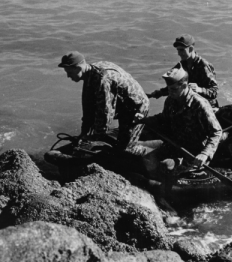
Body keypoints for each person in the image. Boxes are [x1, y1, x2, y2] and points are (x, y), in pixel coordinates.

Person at [134, 68, 223, 198]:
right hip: (175, 144)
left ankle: (167, 199)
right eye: (169, 89)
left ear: (185, 85)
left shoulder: (200, 104)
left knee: (166, 166)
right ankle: (155, 185)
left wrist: (204, 154)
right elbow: (164, 119)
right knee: (146, 158)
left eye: (174, 89)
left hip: (193, 152)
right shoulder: (171, 100)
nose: (170, 92)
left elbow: (216, 132)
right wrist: (144, 119)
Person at [58, 51, 149, 152]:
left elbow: (105, 111)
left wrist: (96, 137)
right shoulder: (88, 74)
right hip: (122, 103)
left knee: (127, 149)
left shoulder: (102, 79)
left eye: (69, 72)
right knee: (112, 137)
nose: (68, 76)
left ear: (79, 68)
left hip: (136, 106)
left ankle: (151, 152)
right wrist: (84, 133)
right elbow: (88, 107)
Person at [146, 35, 220, 109]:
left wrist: (199, 89)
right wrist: (160, 93)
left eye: (181, 50)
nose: (179, 53)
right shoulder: (181, 65)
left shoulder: (204, 66)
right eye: (178, 50)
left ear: (191, 49)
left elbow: (214, 92)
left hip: (207, 107)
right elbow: (175, 86)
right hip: (190, 104)